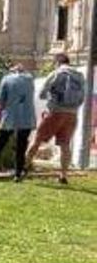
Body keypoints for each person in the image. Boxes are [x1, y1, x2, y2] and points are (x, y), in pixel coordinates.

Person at [27, 52, 84, 184]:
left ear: (57, 62)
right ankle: (63, 175)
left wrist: (52, 99)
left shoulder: (56, 73)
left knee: (37, 140)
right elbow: (82, 97)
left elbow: (42, 93)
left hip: (55, 112)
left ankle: (24, 167)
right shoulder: (79, 76)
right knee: (65, 145)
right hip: (72, 114)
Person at [0, 62, 36, 180]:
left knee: (0, 144)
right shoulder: (30, 80)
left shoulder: (6, 79)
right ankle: (18, 174)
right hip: (26, 117)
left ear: (12, 71)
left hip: (10, 116)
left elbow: (0, 100)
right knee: (21, 147)